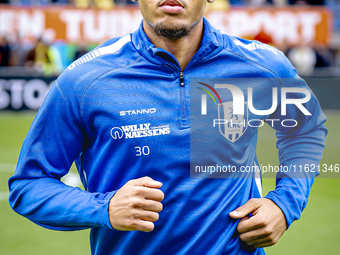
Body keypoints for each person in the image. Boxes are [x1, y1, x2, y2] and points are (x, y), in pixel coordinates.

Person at [8, 0, 327, 254]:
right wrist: (103, 208)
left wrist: (284, 203)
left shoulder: (262, 65)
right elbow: (29, 187)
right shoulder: (84, 80)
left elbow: (305, 129)